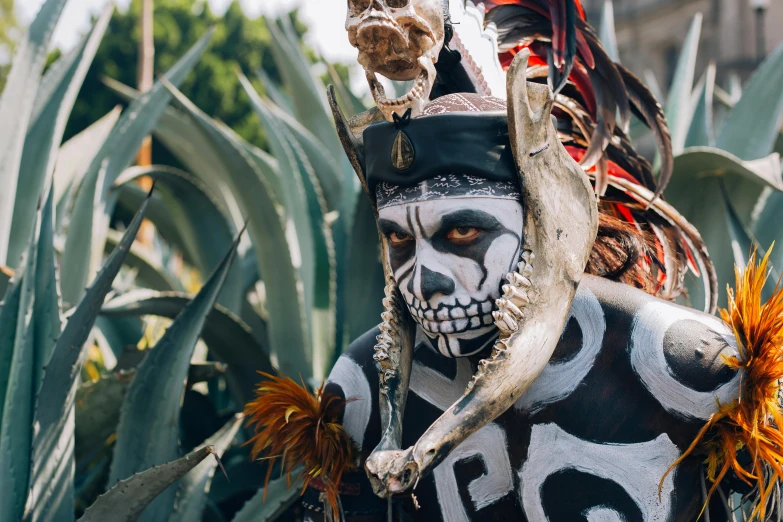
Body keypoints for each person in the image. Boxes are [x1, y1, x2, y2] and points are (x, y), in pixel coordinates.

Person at [245, 2, 783, 520]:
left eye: (462, 231)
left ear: (541, 220)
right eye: (400, 241)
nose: (426, 279)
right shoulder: (360, 395)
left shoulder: (689, 370)